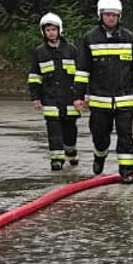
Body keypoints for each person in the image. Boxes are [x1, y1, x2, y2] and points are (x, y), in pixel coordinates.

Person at [73, 0, 133, 183]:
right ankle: (99, 155)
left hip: (124, 98)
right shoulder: (89, 38)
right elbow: (82, 71)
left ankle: (126, 171)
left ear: (119, 16)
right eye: (107, 14)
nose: (111, 18)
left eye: (114, 15)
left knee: (126, 136)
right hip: (100, 100)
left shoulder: (130, 38)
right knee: (100, 135)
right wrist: (78, 96)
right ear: (100, 15)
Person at [28, 12, 81, 171]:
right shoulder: (40, 52)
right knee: (54, 130)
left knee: (70, 129)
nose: (51, 32)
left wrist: (82, 94)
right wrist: (35, 97)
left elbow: (80, 74)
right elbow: (35, 76)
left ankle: (70, 152)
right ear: (43, 32)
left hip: (69, 98)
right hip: (50, 98)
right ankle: (56, 160)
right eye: (48, 30)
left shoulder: (71, 49)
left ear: (59, 30)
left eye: (53, 29)